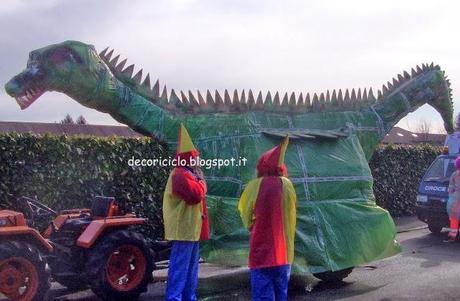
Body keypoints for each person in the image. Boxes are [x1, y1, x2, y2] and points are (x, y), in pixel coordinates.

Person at [238, 137, 297, 301]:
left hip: (261, 249)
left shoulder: (254, 185)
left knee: (262, 293)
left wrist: (251, 226)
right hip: (284, 250)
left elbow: (244, 212)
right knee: (281, 292)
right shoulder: (287, 185)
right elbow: (292, 212)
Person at [163, 124, 210, 301]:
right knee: (180, 269)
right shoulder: (180, 174)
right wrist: (203, 184)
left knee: (190, 269)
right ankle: (174, 298)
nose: (198, 160)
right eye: (196, 157)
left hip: (191, 231)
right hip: (184, 231)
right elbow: (196, 194)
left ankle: (189, 297)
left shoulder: (187, 173)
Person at [447, 156, 460, 240]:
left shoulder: (454, 174)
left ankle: (453, 234)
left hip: (455, 199)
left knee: (454, 218)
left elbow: (450, 189)